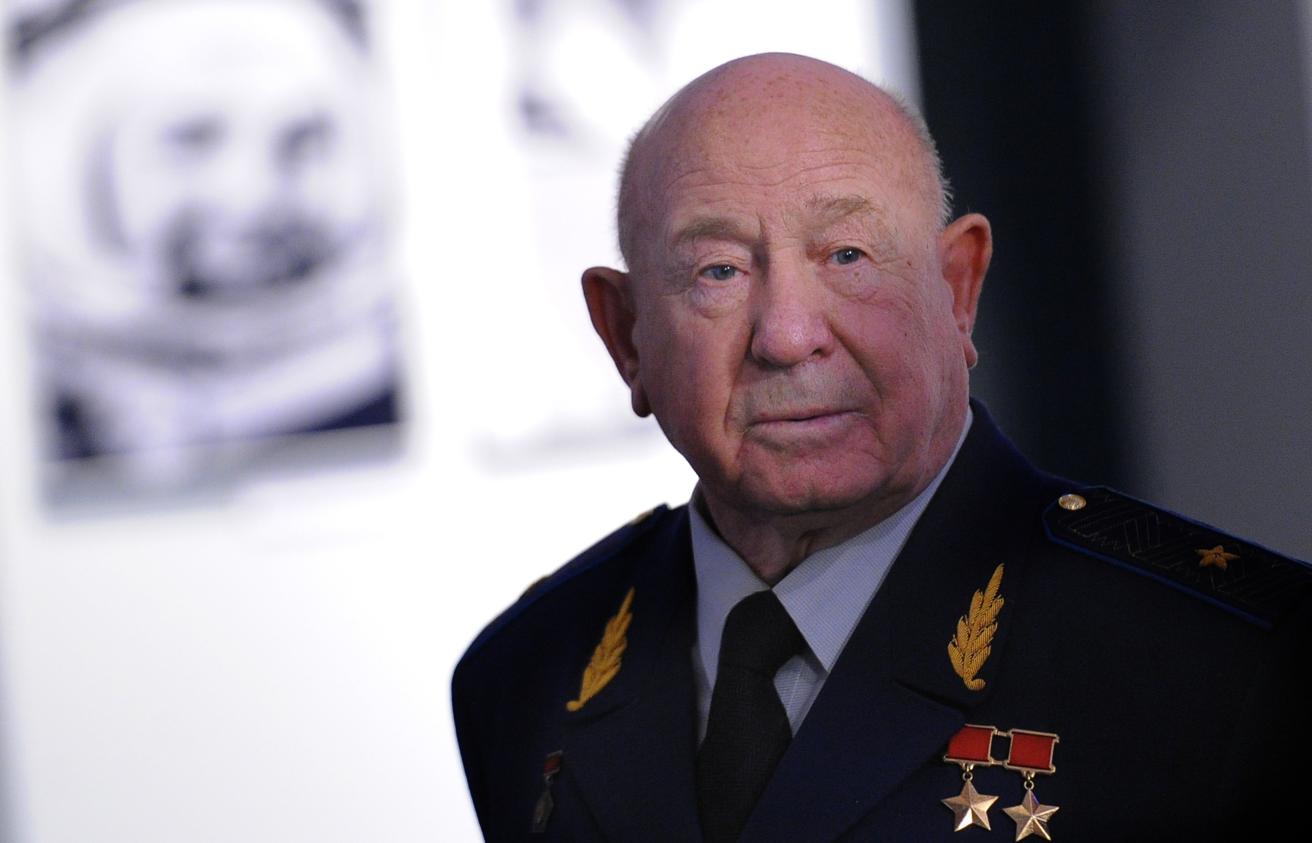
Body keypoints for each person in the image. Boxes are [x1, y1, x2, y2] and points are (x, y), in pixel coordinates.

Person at [452, 53, 1310, 841]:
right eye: (719, 270)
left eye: (848, 254)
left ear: (958, 289)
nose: (787, 336)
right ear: (626, 334)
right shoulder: (523, 676)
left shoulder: (1236, 668)